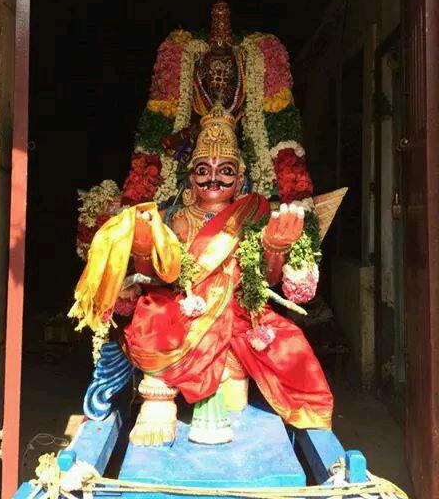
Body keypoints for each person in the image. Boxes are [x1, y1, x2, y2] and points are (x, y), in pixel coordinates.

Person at [70, 102, 333, 447]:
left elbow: (265, 281)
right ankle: (159, 399)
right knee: (152, 315)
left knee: (286, 348)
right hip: (182, 303)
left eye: (225, 170)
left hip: (236, 309)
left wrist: (275, 247)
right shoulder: (174, 216)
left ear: (241, 178)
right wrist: (144, 250)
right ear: (190, 177)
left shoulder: (253, 213)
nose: (213, 178)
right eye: (203, 170)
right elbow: (159, 275)